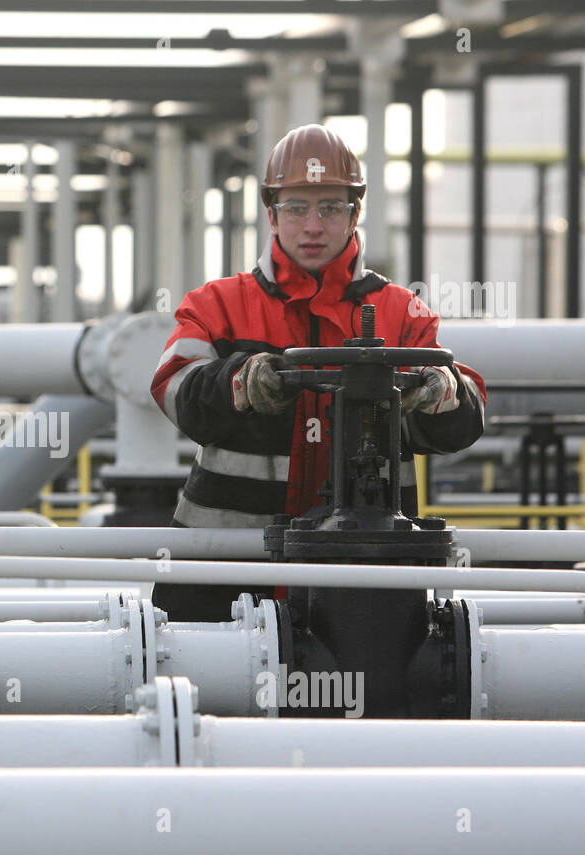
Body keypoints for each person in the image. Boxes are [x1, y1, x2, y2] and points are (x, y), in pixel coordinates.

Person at [149, 123, 487, 621]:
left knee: (375, 701)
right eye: (296, 207)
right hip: (226, 577)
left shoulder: (402, 313)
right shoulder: (217, 305)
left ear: (356, 213)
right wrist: (241, 382)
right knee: (222, 699)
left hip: (366, 577)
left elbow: (463, 421)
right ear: (271, 212)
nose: (312, 225)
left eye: (330, 207)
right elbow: (173, 390)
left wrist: (438, 390)